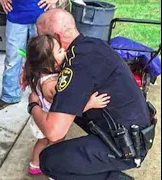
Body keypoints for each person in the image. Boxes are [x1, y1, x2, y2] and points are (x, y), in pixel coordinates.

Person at [24, 9, 154, 180]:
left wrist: (32, 105)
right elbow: (47, 65)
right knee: (67, 108)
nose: (42, 45)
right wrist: (30, 68)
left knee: (50, 160)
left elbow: (53, 131)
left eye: (43, 39)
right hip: (136, 129)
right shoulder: (90, 45)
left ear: (56, 38)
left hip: (127, 145)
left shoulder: (75, 67)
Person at [24, 34, 110, 175]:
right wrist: (90, 103)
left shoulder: (39, 73)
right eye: (60, 51)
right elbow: (67, 106)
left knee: (42, 141)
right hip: (48, 119)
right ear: (50, 62)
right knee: (54, 143)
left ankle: (34, 164)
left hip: (42, 116)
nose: (65, 51)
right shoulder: (52, 85)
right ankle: (49, 165)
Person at [0, 0, 59, 111]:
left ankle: (45, 95)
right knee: (13, 59)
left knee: (45, 57)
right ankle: (10, 95)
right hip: (16, 17)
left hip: (42, 17)